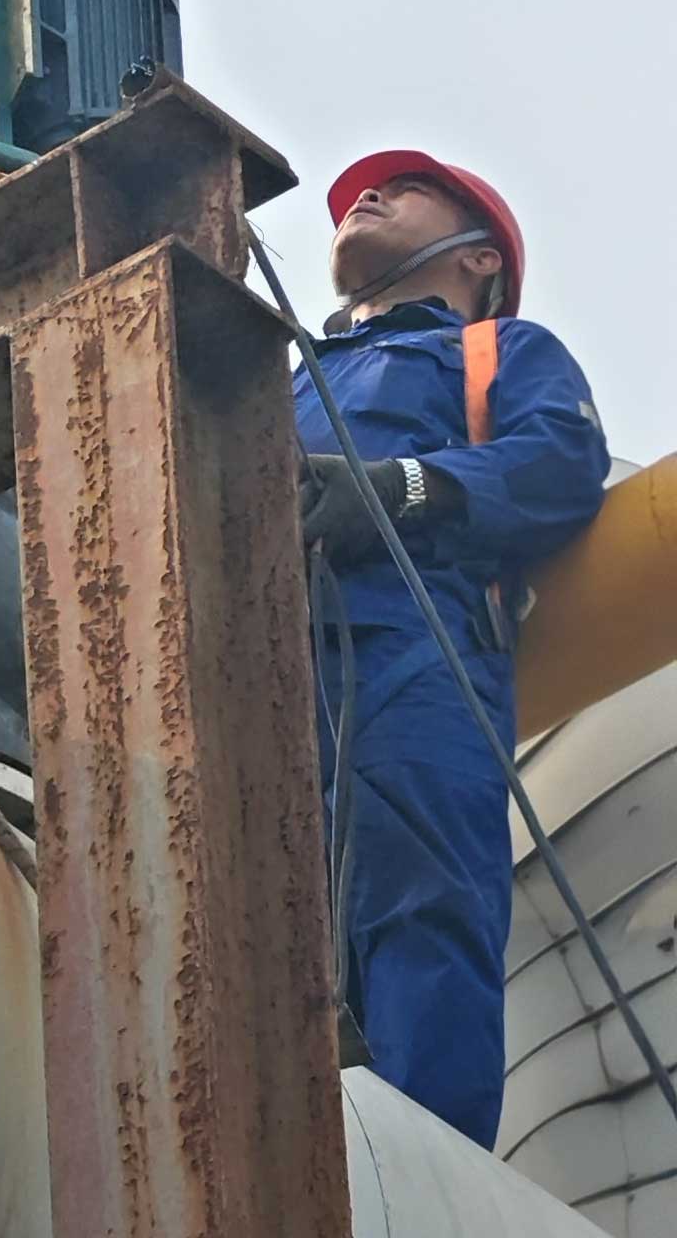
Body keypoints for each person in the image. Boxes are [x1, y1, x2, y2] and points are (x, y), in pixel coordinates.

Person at [297, 149, 608, 1147]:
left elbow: (558, 461)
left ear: (476, 257)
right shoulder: (278, 366)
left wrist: (401, 487)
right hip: (239, 668)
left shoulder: (496, 351)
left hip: (412, 648)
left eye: (401, 188)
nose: (365, 196)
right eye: (355, 195)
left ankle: (422, 1183)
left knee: (419, 906)